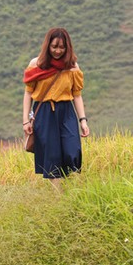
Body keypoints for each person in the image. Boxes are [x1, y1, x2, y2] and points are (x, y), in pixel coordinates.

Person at [22, 27, 90, 183]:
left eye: (61, 47)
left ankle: (73, 187)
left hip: (66, 111)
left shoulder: (72, 66)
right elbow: (28, 93)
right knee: (52, 156)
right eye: (54, 47)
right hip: (44, 112)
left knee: (73, 150)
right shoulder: (36, 64)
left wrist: (83, 121)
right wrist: (25, 120)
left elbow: (77, 95)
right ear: (48, 46)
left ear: (67, 47)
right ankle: (59, 197)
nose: (58, 51)